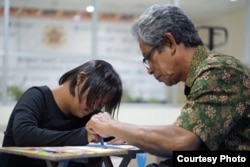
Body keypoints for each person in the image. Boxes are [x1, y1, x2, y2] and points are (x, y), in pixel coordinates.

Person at [86, 4, 250, 167]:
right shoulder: (203, 74)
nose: (149, 69)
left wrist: (113, 127)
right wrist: (126, 132)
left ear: (170, 42)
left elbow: (180, 141)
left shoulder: (218, 71)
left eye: (148, 57)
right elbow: (179, 133)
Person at [0, 60, 122, 167]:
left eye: (101, 104)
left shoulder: (89, 114)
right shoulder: (37, 97)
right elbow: (23, 134)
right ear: (80, 79)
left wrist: (121, 134)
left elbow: (111, 134)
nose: (94, 106)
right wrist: (82, 136)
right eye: (95, 97)